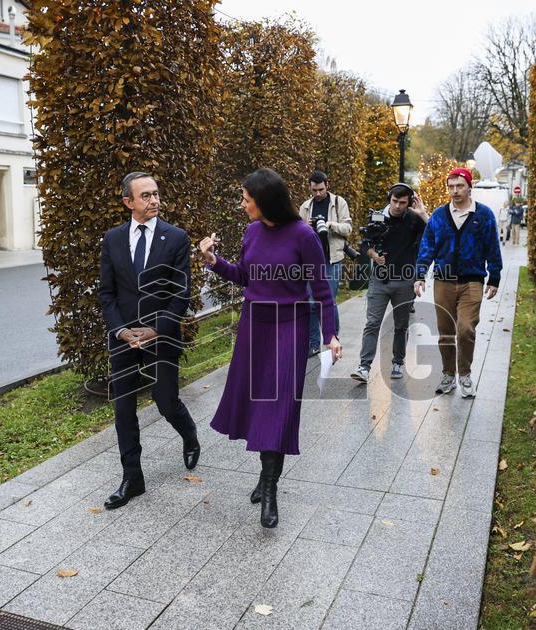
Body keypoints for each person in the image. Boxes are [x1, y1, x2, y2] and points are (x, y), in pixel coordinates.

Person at [199, 168, 341, 528]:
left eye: (246, 199)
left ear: (265, 200)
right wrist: (214, 261)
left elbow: (322, 290)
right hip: (253, 328)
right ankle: (265, 477)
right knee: (256, 408)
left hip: (289, 329)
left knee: (276, 410)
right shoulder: (251, 232)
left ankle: (270, 489)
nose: (243, 204)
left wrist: (330, 334)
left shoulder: (304, 235)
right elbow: (244, 277)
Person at [98, 172, 201, 510]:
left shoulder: (175, 238)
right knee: (124, 409)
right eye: (145, 195)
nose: (154, 200)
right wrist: (120, 330)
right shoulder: (112, 240)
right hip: (124, 338)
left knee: (166, 400)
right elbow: (107, 293)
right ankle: (133, 477)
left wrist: (156, 329)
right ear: (128, 201)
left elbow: (180, 293)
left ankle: (188, 434)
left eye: (156, 194)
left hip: (161, 336)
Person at [414, 168, 502, 399]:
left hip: (472, 281)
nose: (454, 191)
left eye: (459, 186)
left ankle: (465, 373)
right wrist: (420, 274)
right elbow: (427, 246)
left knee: (465, 329)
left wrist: (494, 277)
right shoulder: (439, 216)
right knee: (445, 332)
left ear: (469, 187)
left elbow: (492, 247)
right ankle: (448, 374)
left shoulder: (484, 215)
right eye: (451, 186)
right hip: (443, 281)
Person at [350, 183, 428, 383]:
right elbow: (365, 243)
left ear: (409, 202)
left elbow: (433, 237)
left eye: (403, 203)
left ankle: (397, 362)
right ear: (389, 199)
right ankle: (364, 367)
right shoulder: (378, 217)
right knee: (372, 323)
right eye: (395, 201)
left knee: (401, 325)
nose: (398, 206)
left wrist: (422, 213)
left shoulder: (414, 219)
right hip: (380, 279)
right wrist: (373, 255)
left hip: (405, 280)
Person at [298, 170, 351, 356]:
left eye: (320, 189)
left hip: (332, 259)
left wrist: (330, 225)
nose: (318, 193)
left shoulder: (338, 203)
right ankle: (313, 343)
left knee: (329, 301)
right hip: (311, 261)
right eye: (314, 190)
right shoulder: (305, 207)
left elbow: (348, 228)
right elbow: (298, 233)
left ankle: (332, 338)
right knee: (311, 302)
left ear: (327, 186)